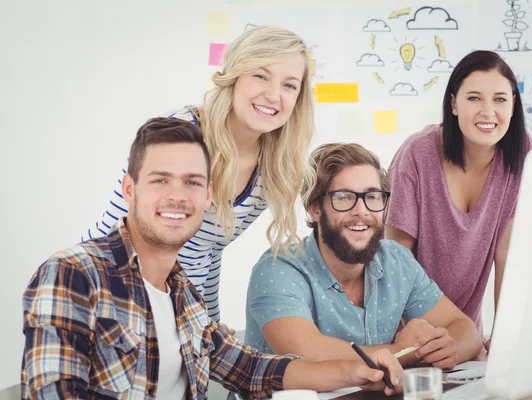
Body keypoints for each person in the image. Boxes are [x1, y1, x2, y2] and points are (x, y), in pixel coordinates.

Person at [21, 118, 403, 399]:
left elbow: (252, 369)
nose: (177, 196)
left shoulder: (185, 296)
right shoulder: (72, 273)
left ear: (208, 198)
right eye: (160, 179)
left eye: (192, 182)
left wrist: (356, 369)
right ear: (129, 189)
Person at [82, 26, 315, 325]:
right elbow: (115, 229)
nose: (273, 95)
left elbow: (207, 254)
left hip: (181, 311)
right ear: (235, 75)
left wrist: (209, 326)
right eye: (260, 76)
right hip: (111, 296)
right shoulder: (182, 132)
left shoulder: (274, 168)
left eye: (289, 85)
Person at [245, 143, 482, 370]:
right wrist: (403, 352)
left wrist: (447, 349)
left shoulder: (396, 261)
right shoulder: (278, 269)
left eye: (372, 197)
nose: (362, 211)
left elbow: (466, 331)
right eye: (344, 197)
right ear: (315, 208)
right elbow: (308, 353)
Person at [384, 50, 532, 349]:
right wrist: (407, 336)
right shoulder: (417, 154)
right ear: (453, 104)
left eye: (500, 99)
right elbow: (396, 256)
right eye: (474, 98)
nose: (488, 111)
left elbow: (506, 254)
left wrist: (503, 338)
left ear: (514, 105)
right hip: (406, 331)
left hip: (466, 336)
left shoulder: (523, 157)